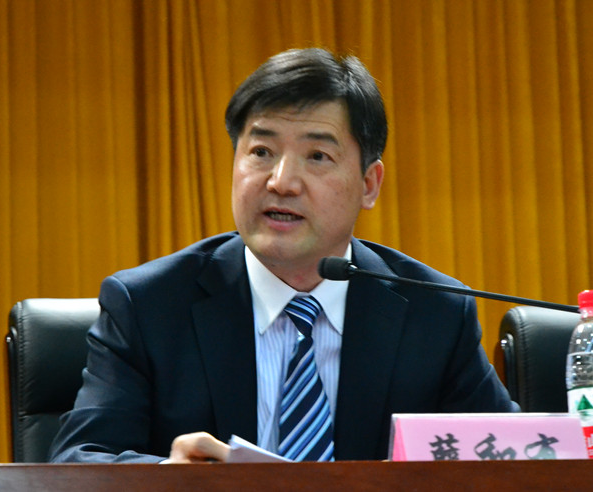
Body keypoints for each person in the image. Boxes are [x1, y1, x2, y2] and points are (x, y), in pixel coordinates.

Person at [49, 48, 518, 464]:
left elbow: (515, 460)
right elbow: (79, 459)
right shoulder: (148, 306)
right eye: (261, 151)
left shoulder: (434, 314)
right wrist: (168, 480)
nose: (281, 182)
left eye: (317, 156)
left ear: (368, 184)